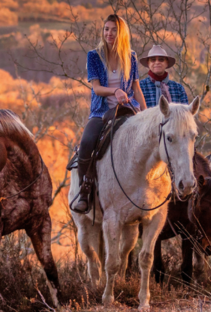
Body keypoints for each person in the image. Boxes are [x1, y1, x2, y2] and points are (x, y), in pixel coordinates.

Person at [71, 14, 147, 214]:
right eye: (106, 29)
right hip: (101, 112)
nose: (109, 33)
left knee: (150, 141)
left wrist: (146, 115)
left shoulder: (131, 57)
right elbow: (96, 88)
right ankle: (85, 191)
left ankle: (148, 188)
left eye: (113, 29)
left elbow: (136, 89)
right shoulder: (94, 56)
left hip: (127, 110)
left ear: (121, 33)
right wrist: (115, 91)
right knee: (87, 142)